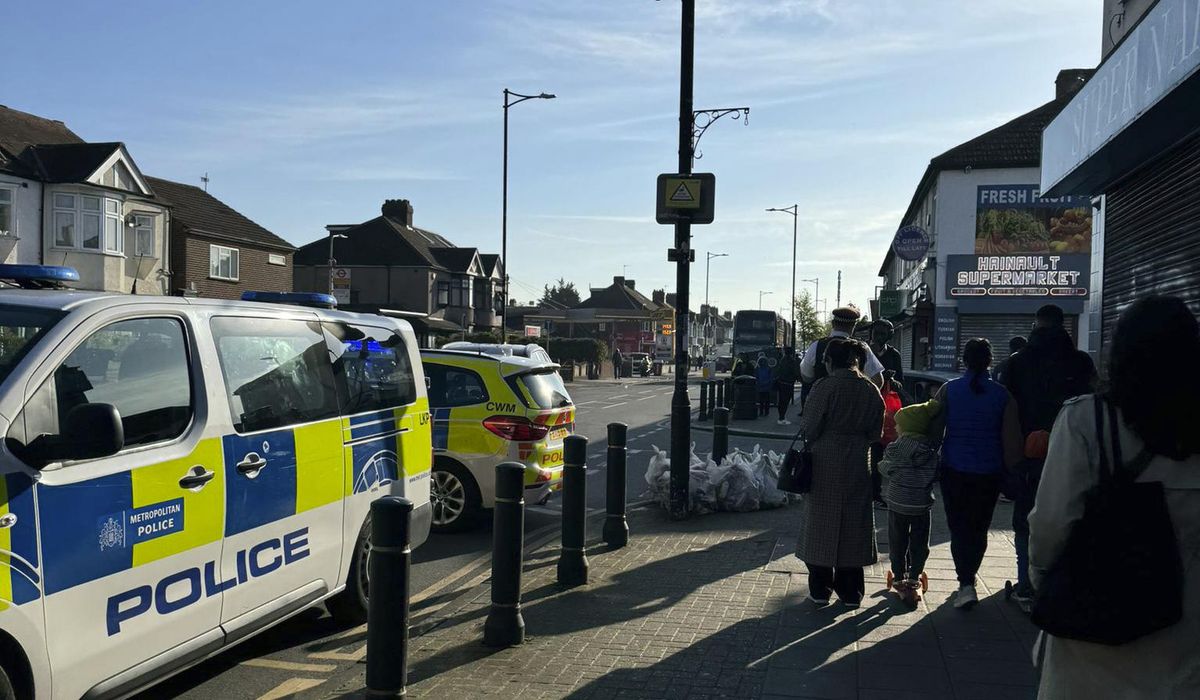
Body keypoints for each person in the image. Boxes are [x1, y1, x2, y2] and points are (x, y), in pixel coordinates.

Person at [1029, 296, 1200, 697]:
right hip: (1186, 635)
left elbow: (1051, 524)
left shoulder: (1088, 420)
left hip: (1094, 630)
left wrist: (1046, 580)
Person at [1003, 304, 1096, 609]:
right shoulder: (1081, 362)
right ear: (1062, 324)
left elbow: (1007, 412)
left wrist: (1009, 457)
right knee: (1072, 517)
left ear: (1036, 323)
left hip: (1029, 453)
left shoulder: (1018, 363)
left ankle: (1028, 586)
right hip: (1075, 452)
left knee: (1026, 518)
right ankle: (1064, 584)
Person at [932, 338, 1022, 610]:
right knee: (979, 527)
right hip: (988, 471)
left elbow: (934, 431)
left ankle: (966, 582)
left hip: (954, 469)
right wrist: (1014, 474)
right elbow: (1012, 442)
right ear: (989, 361)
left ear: (964, 360)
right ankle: (968, 579)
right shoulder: (1003, 395)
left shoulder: (948, 391)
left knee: (958, 527)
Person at [795, 338, 885, 608]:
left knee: (820, 524)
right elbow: (876, 433)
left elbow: (809, 428)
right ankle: (851, 592)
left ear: (830, 361)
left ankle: (820, 590)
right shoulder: (870, 389)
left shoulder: (825, 387)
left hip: (825, 461)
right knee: (854, 525)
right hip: (859, 461)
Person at [879, 399, 942, 605]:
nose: (895, 427)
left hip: (897, 503)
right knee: (919, 542)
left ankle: (898, 575)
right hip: (921, 504)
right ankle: (915, 576)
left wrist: (885, 469)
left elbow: (887, 468)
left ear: (906, 427)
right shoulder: (931, 453)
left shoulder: (894, 449)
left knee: (897, 540)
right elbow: (935, 475)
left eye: (898, 424)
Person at [800, 306, 885, 408]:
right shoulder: (862, 348)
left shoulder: (817, 346)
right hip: (852, 409)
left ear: (833, 323)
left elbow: (807, 377)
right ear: (854, 325)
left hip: (821, 409)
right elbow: (878, 380)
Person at [775, 346, 798, 425]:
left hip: (781, 382)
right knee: (785, 401)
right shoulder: (792, 361)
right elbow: (795, 372)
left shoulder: (782, 360)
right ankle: (782, 417)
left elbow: (778, 371)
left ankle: (781, 416)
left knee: (781, 400)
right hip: (788, 383)